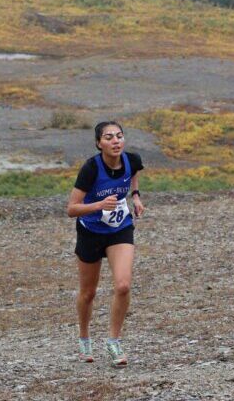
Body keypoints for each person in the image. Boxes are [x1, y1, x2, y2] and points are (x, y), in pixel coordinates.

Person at [66, 121, 145, 367]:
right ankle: (84, 338)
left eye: (119, 136)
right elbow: (71, 209)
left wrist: (135, 196)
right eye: (109, 137)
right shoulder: (90, 169)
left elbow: (133, 176)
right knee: (88, 293)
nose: (115, 141)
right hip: (90, 231)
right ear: (99, 143)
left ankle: (113, 341)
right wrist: (99, 205)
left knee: (123, 285)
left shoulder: (131, 159)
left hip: (119, 228)